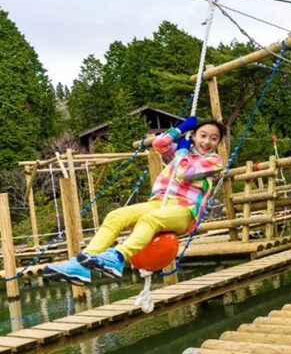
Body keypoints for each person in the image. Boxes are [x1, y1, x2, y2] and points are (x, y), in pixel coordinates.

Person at [44, 116, 224, 285]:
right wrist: (181, 129)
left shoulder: (214, 161)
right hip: (160, 201)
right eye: (203, 136)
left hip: (186, 210)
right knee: (116, 216)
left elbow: (183, 172)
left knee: (150, 219)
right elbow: (159, 144)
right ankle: (80, 267)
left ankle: (119, 257)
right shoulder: (181, 151)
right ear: (194, 135)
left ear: (218, 143)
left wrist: (183, 150)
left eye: (214, 138)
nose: (207, 142)